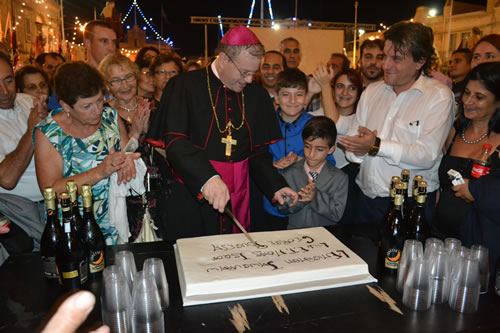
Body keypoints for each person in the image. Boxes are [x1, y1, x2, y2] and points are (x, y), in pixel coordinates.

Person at [146, 25, 297, 240]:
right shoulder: (184, 86)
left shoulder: (256, 95)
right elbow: (176, 142)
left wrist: (275, 186)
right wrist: (207, 178)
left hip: (242, 195)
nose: (248, 80)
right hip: (194, 194)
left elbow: (257, 154)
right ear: (224, 59)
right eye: (244, 72)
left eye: (253, 74)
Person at [335, 22, 455, 225]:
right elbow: (354, 148)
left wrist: (375, 146)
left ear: (420, 61)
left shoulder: (438, 97)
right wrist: (359, 149)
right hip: (364, 198)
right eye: (385, 56)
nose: (386, 65)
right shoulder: (372, 92)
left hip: (408, 203)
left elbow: (426, 155)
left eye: (396, 59)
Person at [34, 61, 139, 245]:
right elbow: (52, 191)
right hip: (74, 230)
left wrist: (128, 159)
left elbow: (124, 151)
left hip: (115, 224)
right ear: (65, 106)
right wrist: (99, 172)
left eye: (99, 100)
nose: (97, 110)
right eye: (86, 106)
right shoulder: (50, 134)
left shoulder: (110, 117)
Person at [432, 62, 500, 240]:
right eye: (467, 93)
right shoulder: (454, 130)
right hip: (440, 236)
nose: (468, 102)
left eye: (479, 97)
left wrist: (478, 192)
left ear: (498, 102)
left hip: (482, 239)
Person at [262, 69, 335, 230]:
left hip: (305, 207)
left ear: (307, 97)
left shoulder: (315, 124)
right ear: (277, 96)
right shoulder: (264, 124)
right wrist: (275, 165)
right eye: (286, 94)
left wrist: (304, 161)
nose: (293, 100)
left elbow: (330, 164)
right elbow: (257, 160)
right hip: (272, 205)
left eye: (299, 94)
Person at [0, 52, 47, 259]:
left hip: (52, 205)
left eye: (8, 80)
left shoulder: (28, 101)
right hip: (21, 218)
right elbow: (7, 179)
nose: (4, 91)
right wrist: (31, 131)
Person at [277, 116, 348, 229]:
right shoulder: (289, 173)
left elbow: (337, 214)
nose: (311, 154)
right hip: (294, 234)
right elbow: (282, 209)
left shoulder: (340, 178)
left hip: (326, 237)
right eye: (307, 146)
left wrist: (315, 197)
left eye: (319, 149)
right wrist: (300, 198)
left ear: (331, 149)